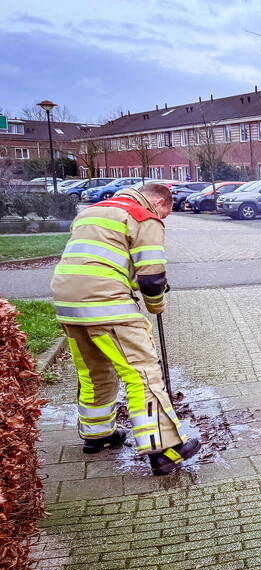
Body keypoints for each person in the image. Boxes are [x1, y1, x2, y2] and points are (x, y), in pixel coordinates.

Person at [50, 183, 199, 476]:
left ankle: (98, 435)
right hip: (107, 304)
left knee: (95, 372)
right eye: (165, 213)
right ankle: (164, 450)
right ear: (158, 201)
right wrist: (156, 306)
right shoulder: (143, 216)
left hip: (66, 302)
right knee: (142, 373)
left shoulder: (91, 212)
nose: (163, 219)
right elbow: (152, 277)